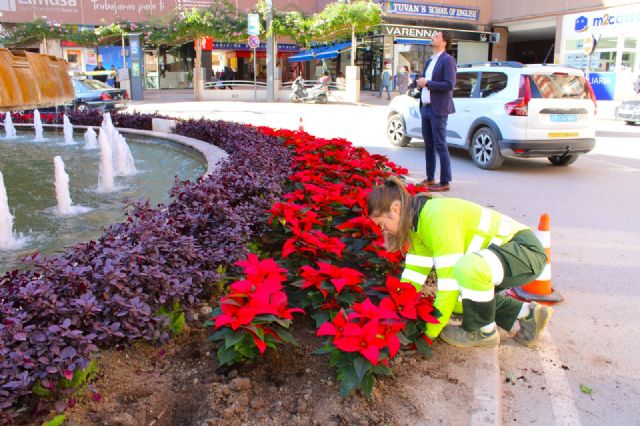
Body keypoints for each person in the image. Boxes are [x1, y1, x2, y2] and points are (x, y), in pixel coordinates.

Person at [367, 177, 553, 348]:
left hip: (524, 251)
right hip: (500, 259)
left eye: (382, 224)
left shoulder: (436, 217)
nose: (384, 231)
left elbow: (449, 284)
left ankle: (483, 332)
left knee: (465, 270)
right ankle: (528, 314)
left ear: (395, 208)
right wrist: (391, 313)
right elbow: (413, 276)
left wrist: (429, 335)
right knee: (460, 302)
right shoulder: (417, 227)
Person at [413, 31, 456, 192]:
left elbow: (449, 84)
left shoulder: (448, 60)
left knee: (440, 144)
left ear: (444, 42)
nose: (432, 38)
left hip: (438, 108)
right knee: (429, 145)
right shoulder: (430, 60)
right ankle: (430, 178)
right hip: (426, 107)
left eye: (436, 36)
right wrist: (419, 83)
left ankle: (445, 181)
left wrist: (428, 83)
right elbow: (425, 81)